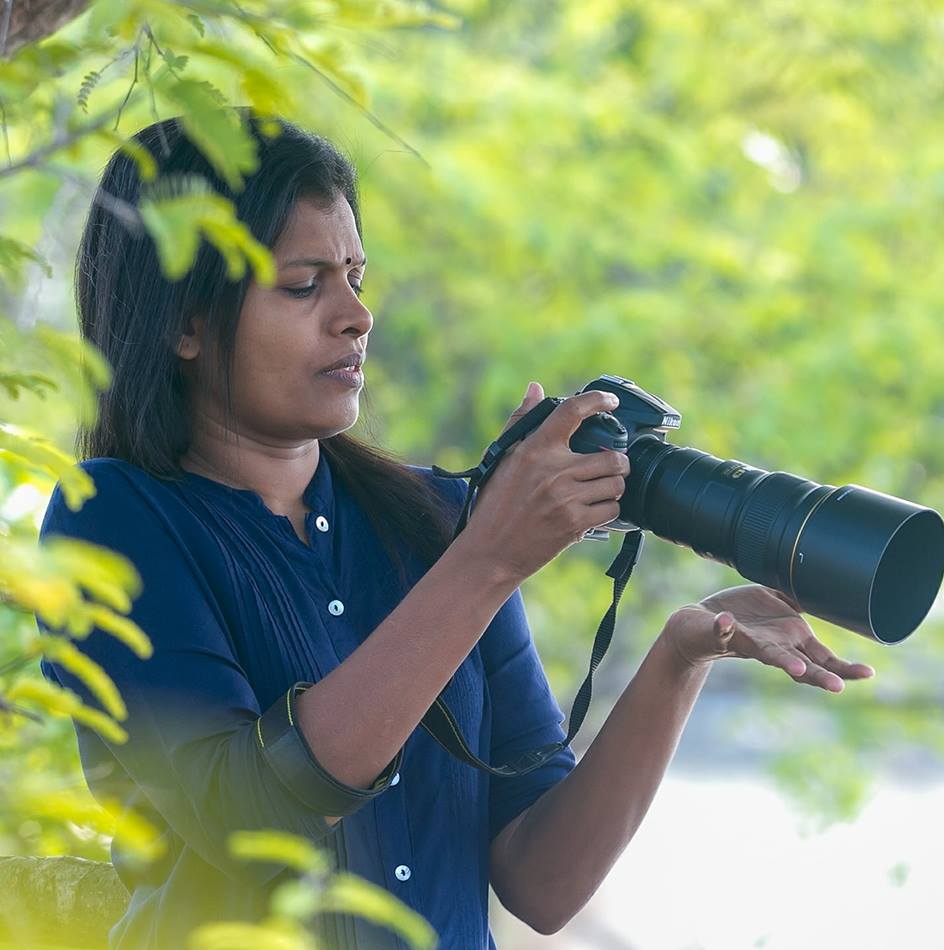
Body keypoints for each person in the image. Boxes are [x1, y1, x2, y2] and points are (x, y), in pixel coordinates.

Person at [35, 109, 876, 949]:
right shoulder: (112, 518)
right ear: (186, 321)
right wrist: (489, 559)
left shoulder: (431, 523)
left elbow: (543, 882)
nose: (356, 316)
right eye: (304, 285)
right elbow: (248, 814)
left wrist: (682, 653)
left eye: (356, 277)